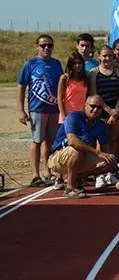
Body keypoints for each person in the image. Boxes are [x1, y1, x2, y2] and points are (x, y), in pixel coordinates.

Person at [17, 34, 64, 187]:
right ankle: (35, 174)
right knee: (37, 140)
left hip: (54, 108)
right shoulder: (30, 64)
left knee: (49, 141)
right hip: (37, 108)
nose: (46, 48)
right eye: (43, 45)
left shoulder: (56, 64)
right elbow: (21, 87)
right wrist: (21, 110)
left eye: (49, 45)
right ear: (37, 46)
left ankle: (47, 171)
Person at [47, 96, 117, 198]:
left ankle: (77, 178)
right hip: (58, 158)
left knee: (111, 161)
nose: (95, 109)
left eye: (99, 107)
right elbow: (72, 141)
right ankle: (70, 188)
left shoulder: (101, 124)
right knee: (77, 150)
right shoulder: (74, 117)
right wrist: (98, 153)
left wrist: (109, 158)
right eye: (92, 106)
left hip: (81, 157)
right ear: (85, 105)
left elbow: (105, 147)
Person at [88, 45, 119, 186]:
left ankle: (110, 172)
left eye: (110, 55)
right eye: (104, 56)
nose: (107, 58)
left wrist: (116, 111)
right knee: (101, 144)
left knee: (115, 143)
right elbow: (94, 94)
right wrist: (108, 110)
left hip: (115, 113)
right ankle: (99, 174)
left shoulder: (118, 73)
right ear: (99, 57)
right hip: (100, 113)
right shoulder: (94, 73)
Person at [57, 52, 88, 125]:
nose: (77, 65)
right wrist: (64, 117)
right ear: (70, 65)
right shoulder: (64, 78)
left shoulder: (85, 79)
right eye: (74, 63)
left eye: (79, 63)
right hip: (67, 116)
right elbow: (60, 99)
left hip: (81, 116)